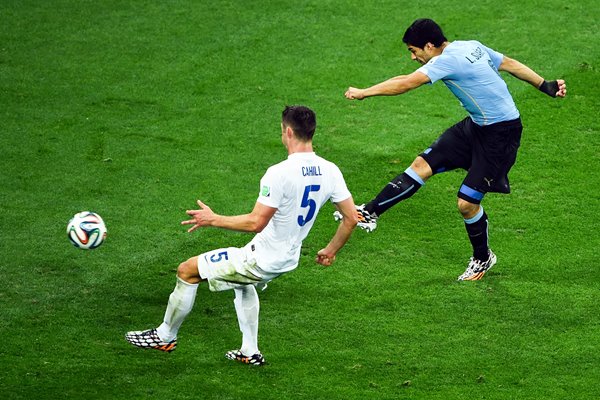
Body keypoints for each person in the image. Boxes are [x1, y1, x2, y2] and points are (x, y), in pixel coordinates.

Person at [125, 105, 358, 365]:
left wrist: (213, 219)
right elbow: (351, 218)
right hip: (287, 259)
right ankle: (249, 352)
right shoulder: (330, 170)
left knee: (187, 271)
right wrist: (330, 250)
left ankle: (165, 336)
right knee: (243, 284)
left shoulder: (279, 173)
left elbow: (256, 222)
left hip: (260, 260)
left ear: (288, 132)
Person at [337, 18, 566, 281]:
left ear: (430, 45)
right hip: (476, 127)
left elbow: (406, 84)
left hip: (501, 136)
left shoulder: (446, 61)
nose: (413, 57)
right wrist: (544, 85)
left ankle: (482, 258)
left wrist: (365, 93)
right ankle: (370, 212)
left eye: (414, 50)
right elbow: (509, 64)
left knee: (467, 204)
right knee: (421, 166)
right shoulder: (470, 46)